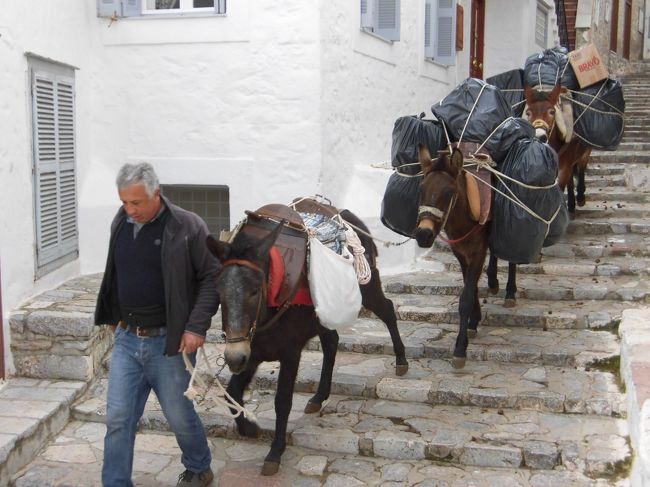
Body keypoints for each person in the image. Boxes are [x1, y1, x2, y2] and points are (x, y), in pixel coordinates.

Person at [95, 162, 220, 487]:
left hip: (170, 344)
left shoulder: (187, 225)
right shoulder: (120, 221)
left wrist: (195, 327)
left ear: (157, 193)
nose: (129, 209)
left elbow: (211, 276)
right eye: (124, 201)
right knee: (119, 419)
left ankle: (198, 467)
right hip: (126, 340)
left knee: (179, 417)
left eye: (136, 202)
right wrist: (114, 315)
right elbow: (116, 272)